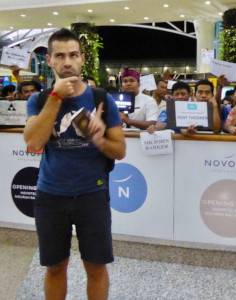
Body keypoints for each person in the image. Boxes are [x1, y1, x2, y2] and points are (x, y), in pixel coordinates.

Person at [23, 28, 126, 300]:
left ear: (82, 59)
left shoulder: (102, 99)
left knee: (95, 266)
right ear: (50, 61)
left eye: (73, 55)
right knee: (55, 266)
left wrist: (100, 139)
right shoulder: (39, 100)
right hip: (50, 195)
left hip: (92, 194)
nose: (67, 62)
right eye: (60, 56)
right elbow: (34, 143)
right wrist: (56, 98)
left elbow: (120, 151)